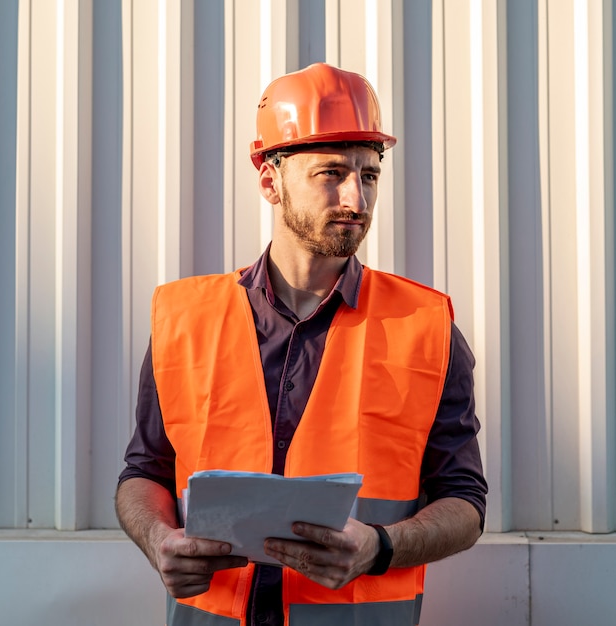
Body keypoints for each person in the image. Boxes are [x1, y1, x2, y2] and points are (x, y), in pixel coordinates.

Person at [116, 62, 487, 626]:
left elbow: (465, 502)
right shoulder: (184, 319)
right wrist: (158, 540)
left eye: (369, 175)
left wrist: (381, 546)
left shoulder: (428, 327)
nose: (356, 200)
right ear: (270, 180)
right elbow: (143, 472)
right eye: (331, 173)